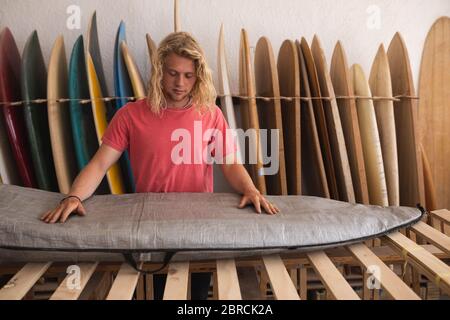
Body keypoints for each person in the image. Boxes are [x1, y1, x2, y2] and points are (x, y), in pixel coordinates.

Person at [40, 32, 279, 299]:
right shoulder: (130, 115)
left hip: (198, 227)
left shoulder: (210, 114)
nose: (180, 83)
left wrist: (251, 189)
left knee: (197, 298)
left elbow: (231, 163)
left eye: (188, 76)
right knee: (159, 294)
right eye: (173, 73)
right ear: (159, 72)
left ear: (198, 75)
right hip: (153, 225)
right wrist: (73, 196)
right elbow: (99, 165)